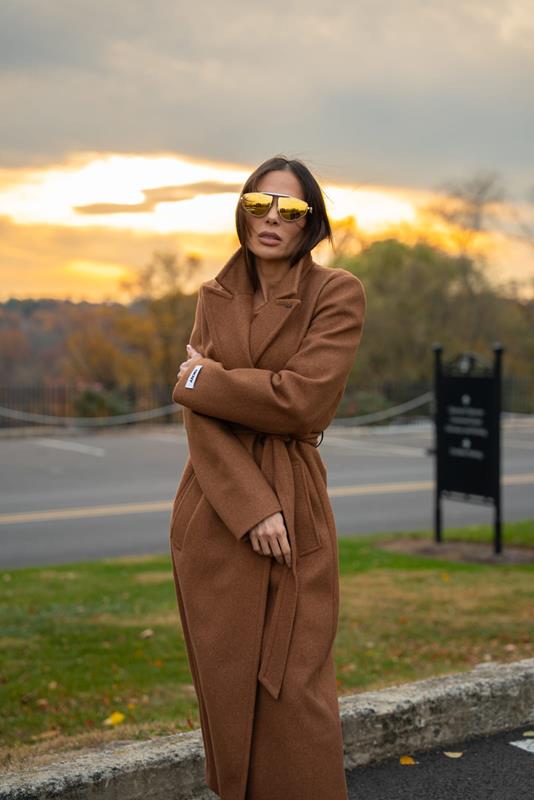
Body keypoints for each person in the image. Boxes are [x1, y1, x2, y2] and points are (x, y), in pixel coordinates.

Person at [169, 154, 366, 800]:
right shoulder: (213, 297)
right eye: (259, 204)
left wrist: (205, 380)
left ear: (311, 223)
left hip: (297, 505)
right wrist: (252, 507)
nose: (271, 219)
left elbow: (303, 402)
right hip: (216, 511)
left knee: (296, 686)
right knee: (227, 689)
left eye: (290, 209)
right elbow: (200, 422)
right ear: (243, 213)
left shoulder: (336, 293)